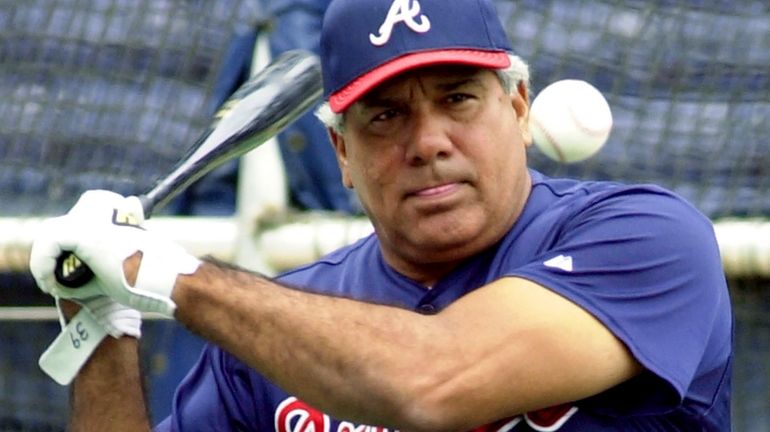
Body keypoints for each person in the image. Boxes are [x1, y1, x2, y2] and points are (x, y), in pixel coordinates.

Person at [29, 0, 733, 430]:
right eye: (386, 115)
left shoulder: (648, 240)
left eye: (458, 98)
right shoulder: (280, 327)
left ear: (517, 109)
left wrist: (173, 277)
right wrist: (101, 329)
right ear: (341, 152)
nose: (427, 143)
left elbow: (432, 382)